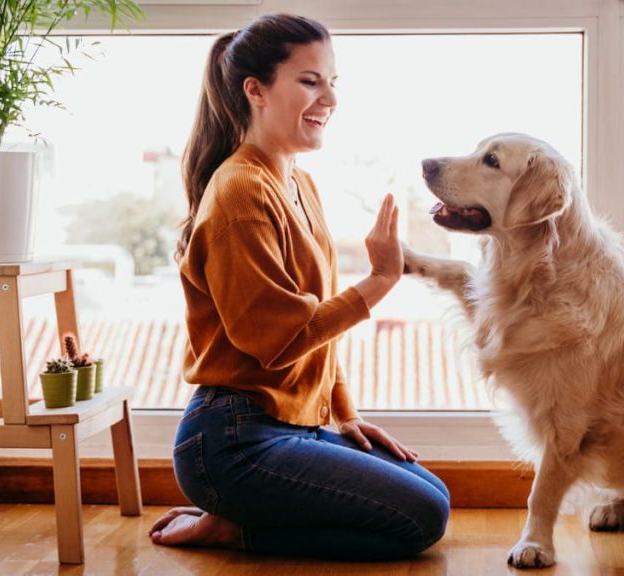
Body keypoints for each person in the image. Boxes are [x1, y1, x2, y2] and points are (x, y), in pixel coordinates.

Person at [148, 14, 450, 560]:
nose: (329, 99)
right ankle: (233, 529)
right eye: (310, 81)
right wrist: (382, 279)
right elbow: (279, 339)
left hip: (293, 424)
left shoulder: (298, 182)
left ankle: (239, 518)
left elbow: (316, 327)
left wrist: (345, 413)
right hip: (232, 440)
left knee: (433, 493)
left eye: (332, 82)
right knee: (423, 517)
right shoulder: (240, 192)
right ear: (256, 90)